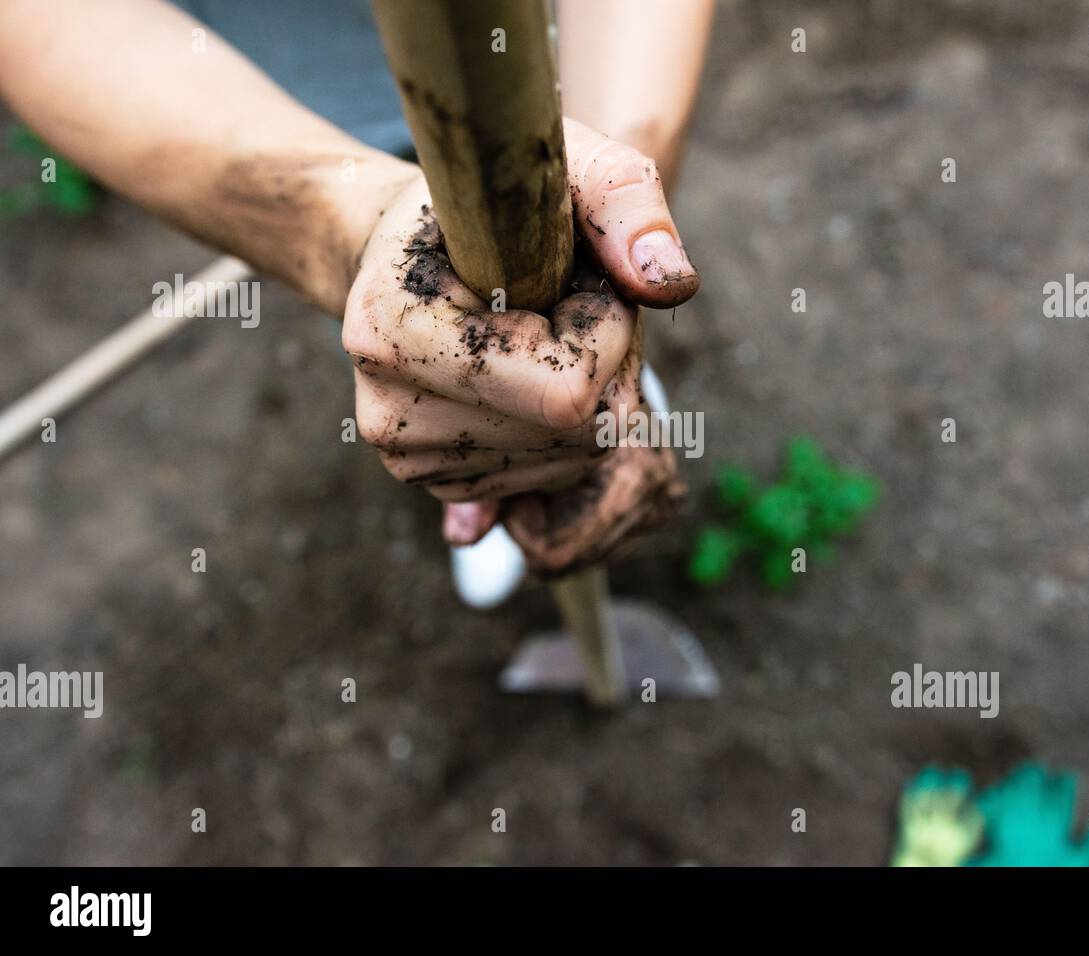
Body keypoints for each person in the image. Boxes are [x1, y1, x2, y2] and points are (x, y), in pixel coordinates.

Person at [0, 0, 715, 605]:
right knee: (406, 310)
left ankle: (556, 393)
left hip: (528, 60)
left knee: (543, 291)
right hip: (241, 96)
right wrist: (344, 226)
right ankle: (449, 399)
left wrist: (615, 193)